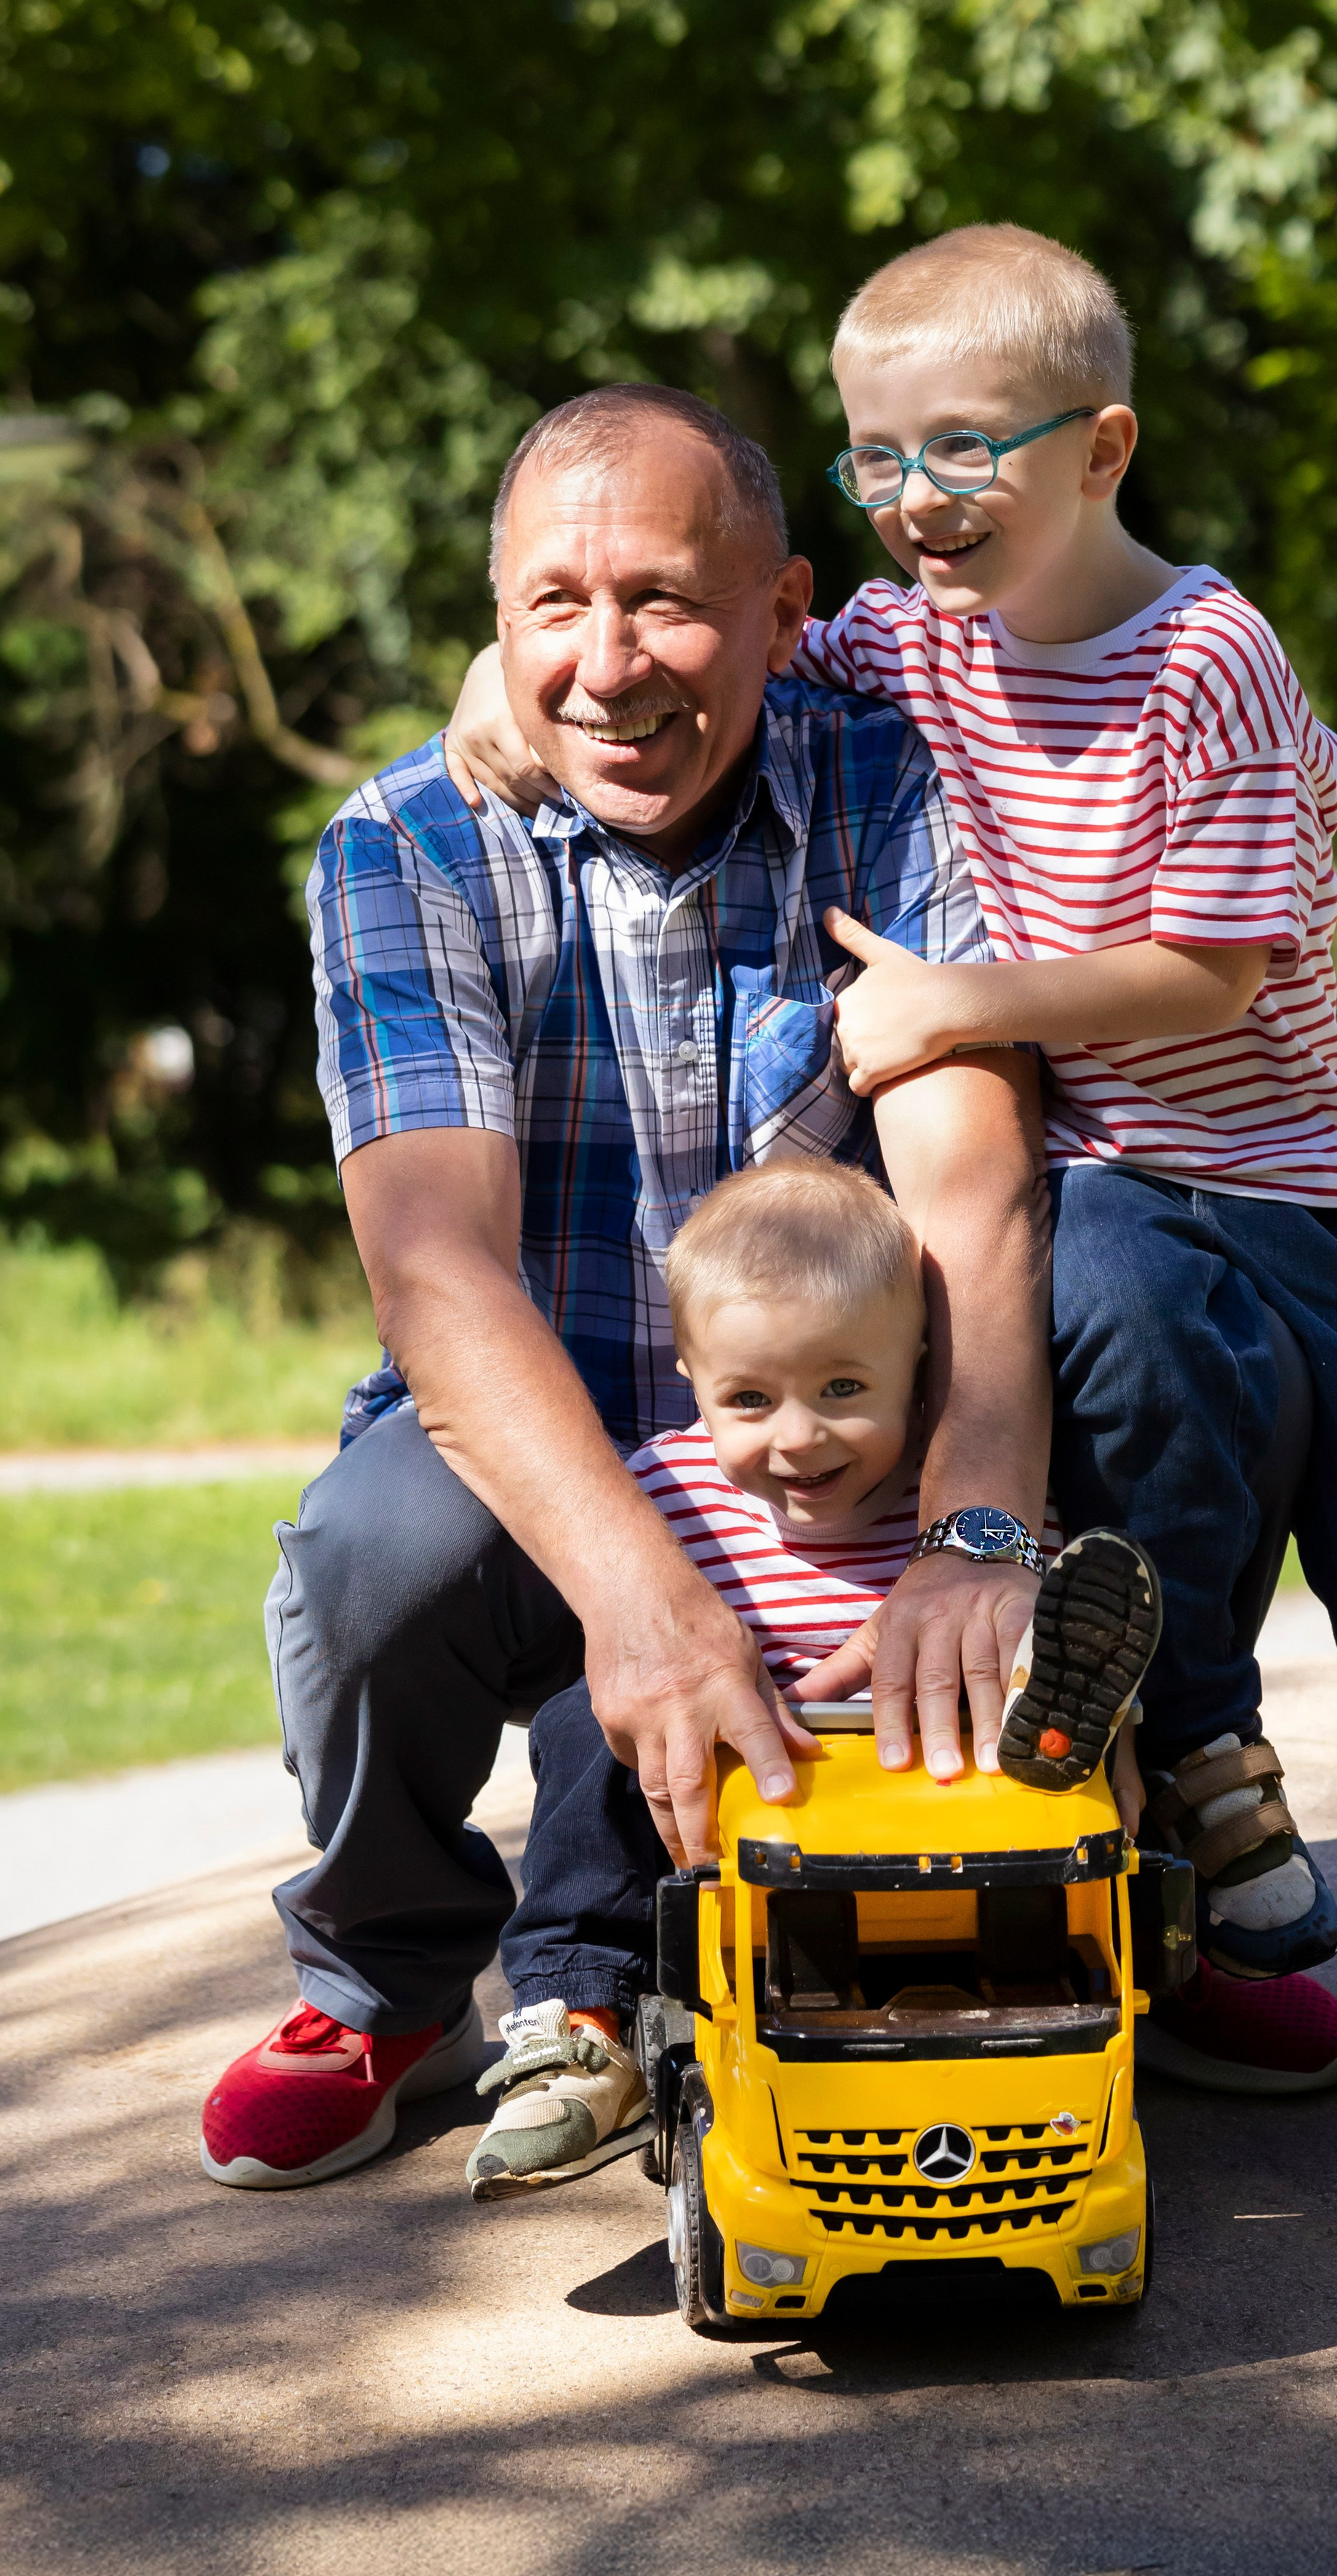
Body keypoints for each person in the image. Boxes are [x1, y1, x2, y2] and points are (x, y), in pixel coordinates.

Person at [447, 228, 1337, 2188]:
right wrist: (508, 677)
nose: (920, 500)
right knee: (1109, 1320)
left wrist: (954, 1003)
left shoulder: (1208, 656)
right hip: (1102, 1189)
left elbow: (1214, 973)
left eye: (969, 450)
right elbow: (690, 639)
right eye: (880, 456)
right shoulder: (913, 634)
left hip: (1284, 1195)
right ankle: (1212, 1758)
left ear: (1105, 448)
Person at [199, 385, 1059, 2192]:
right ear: (495, 620)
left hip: (851, 1429)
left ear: (781, 609)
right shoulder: (403, 841)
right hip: (541, 1440)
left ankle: (1128, 1922)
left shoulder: (895, 785)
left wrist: (974, 1534)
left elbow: (973, 1197)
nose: (605, 667)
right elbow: (435, 1275)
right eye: (552, 608)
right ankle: (396, 1977)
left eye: (664, 600)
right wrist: (651, 1598)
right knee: (370, 1555)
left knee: (1122, 1325)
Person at [468, 1156, 1323, 2199]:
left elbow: (1006, 1599)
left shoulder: (962, 1505)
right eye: (750, 1397)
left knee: (1048, 1700)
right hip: (754, 1783)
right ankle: (582, 2015)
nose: (798, 1437)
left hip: (938, 1775)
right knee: (578, 1729)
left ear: (918, 1363)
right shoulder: (665, 1491)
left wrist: (1057, 1675)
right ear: (690, 1375)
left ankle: (1132, 1935)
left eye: (842, 1388)